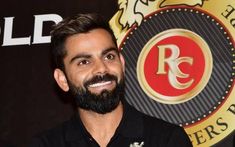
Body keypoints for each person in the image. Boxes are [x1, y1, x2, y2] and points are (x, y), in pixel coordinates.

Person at [29, 13, 192, 147]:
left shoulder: (166, 140)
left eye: (109, 56)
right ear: (62, 79)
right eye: (84, 62)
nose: (101, 68)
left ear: (121, 63)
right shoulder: (46, 144)